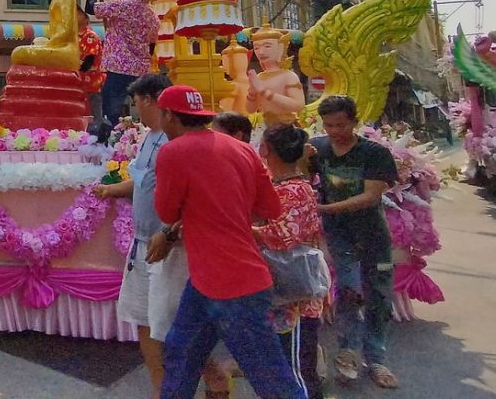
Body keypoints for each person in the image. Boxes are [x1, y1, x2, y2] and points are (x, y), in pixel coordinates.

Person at [153, 84, 304, 399]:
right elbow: (270, 208)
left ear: (169, 115)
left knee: (270, 376)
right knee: (181, 353)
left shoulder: (172, 151)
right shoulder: (242, 148)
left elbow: (166, 211)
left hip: (228, 285)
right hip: (222, 278)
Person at [94, 75, 228, 398]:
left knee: (173, 328)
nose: (134, 107)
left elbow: (196, 200)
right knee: (145, 322)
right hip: (142, 245)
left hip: (169, 248)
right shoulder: (147, 137)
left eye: (137, 101)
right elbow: (143, 182)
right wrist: (112, 189)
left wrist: (168, 234)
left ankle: (215, 380)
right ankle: (162, 389)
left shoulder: (179, 143)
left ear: (155, 101)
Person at [309, 95, 400, 389]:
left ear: (354, 121)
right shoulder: (318, 148)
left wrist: (324, 209)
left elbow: (372, 196)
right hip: (339, 234)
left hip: (373, 234)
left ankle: (376, 358)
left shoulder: (374, 153)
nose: (335, 131)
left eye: (341, 124)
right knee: (350, 290)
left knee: (379, 293)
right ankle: (348, 351)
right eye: (329, 125)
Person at [255, 124, 326, 399]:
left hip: (294, 296)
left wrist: (240, 227)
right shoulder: (291, 185)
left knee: (296, 368)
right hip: (287, 292)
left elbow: (281, 237)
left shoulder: (292, 190)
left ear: (266, 150)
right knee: (289, 364)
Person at [86, 0, 163, 125]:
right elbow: (151, 46)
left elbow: (90, 7)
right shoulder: (153, 17)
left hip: (118, 69)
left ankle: (113, 141)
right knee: (143, 112)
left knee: (111, 113)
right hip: (140, 70)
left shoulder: (123, 5)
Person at [77, 6, 106, 125]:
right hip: (78, 85)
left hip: (92, 84)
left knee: (94, 118)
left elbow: (89, 59)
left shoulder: (90, 36)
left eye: (77, 13)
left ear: (85, 17)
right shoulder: (73, 36)